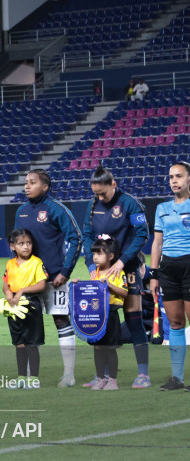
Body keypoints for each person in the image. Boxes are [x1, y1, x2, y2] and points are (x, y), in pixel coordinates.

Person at [81, 165, 150, 388]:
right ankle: (103, 375)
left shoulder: (130, 203)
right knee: (102, 321)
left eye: (103, 193)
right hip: (102, 271)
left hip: (127, 268)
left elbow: (142, 233)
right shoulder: (93, 207)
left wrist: (122, 261)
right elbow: (87, 235)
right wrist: (91, 264)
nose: (99, 197)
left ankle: (143, 374)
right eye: (96, 194)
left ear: (113, 184)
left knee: (133, 318)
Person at [14, 169, 82, 387]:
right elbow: (17, 244)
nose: (26, 186)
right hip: (28, 281)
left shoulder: (56, 209)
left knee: (61, 320)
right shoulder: (22, 211)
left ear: (45, 187)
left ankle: (69, 375)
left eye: (32, 182)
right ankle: (27, 376)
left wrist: (65, 271)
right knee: (27, 325)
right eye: (25, 182)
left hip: (55, 278)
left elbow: (76, 237)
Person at [151, 162, 190, 391]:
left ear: (188, 180)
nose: (173, 181)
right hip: (168, 269)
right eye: (171, 177)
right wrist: (154, 274)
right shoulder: (162, 208)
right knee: (175, 323)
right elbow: (157, 243)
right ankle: (177, 378)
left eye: (178, 176)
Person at [72, 237, 128, 391]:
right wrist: (77, 283)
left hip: (111, 316)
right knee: (97, 348)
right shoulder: (94, 274)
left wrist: (109, 286)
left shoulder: (118, 273)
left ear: (110, 256)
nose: (95, 257)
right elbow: (88, 292)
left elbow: (124, 292)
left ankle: (113, 381)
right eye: (94, 253)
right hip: (96, 316)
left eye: (99, 253)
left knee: (110, 348)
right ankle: (100, 379)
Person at [1, 229, 47, 390]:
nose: (26, 247)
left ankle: (33, 378)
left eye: (28, 243)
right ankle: (21, 377)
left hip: (30, 304)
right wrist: (8, 294)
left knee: (31, 343)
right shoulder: (10, 264)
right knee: (19, 343)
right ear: (13, 246)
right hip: (14, 306)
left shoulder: (36, 262)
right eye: (21, 244)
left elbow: (41, 284)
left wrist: (21, 291)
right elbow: (5, 284)